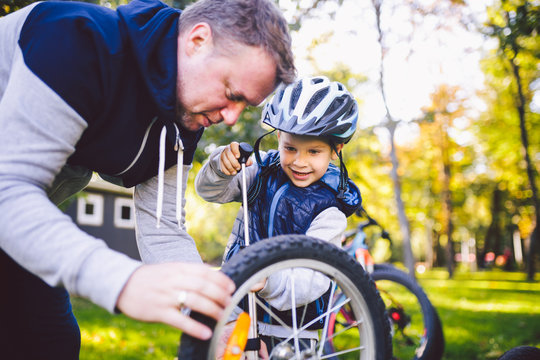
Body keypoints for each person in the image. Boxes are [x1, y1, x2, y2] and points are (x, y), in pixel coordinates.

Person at [0, 0, 295, 358]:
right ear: (197, 40)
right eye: (232, 94)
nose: (232, 119)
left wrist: (224, 323)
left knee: (52, 341)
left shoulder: (183, 118)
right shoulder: (74, 39)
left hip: (17, 228)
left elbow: (163, 228)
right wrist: (123, 282)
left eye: (243, 105)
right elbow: (9, 189)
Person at [195, 76, 361, 353]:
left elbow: (314, 278)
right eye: (290, 148)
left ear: (336, 150)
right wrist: (219, 168)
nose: (299, 161)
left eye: (314, 151)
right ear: (278, 138)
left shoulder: (330, 210)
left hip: (292, 329)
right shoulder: (260, 172)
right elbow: (210, 192)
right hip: (237, 313)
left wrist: (268, 280)